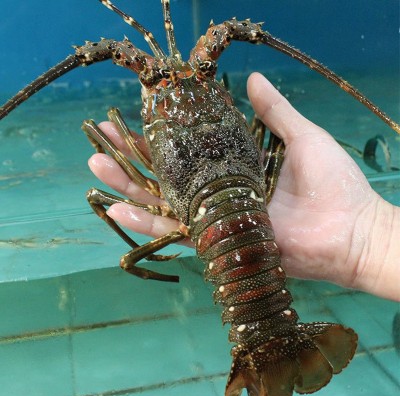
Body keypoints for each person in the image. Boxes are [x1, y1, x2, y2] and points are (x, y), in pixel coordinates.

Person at [88, 72, 400, 302]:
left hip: (221, 241)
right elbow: (268, 133)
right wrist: (371, 234)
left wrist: (372, 238)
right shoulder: (232, 110)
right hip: (251, 216)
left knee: (98, 186)